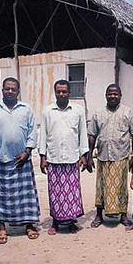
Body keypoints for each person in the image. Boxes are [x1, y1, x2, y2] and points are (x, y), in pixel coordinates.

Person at [0, 77, 40, 243]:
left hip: (22, 160)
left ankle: (29, 225)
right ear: (2, 90)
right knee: (3, 196)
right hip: (1, 160)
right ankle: (2, 228)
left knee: (26, 195)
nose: (10, 91)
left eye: (13, 89)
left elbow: (33, 132)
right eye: (7, 89)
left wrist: (27, 151)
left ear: (18, 92)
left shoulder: (26, 109)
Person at [86, 83, 133, 227]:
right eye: (110, 94)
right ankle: (99, 215)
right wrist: (89, 155)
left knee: (121, 187)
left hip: (121, 155)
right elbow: (92, 134)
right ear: (106, 95)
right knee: (101, 187)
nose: (112, 96)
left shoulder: (128, 112)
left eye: (115, 94)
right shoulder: (98, 113)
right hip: (103, 156)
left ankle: (123, 216)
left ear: (120, 96)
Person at [39, 79, 88, 234]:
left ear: (69, 93)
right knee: (55, 192)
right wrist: (42, 156)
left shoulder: (78, 110)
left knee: (71, 192)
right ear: (55, 93)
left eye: (64, 91)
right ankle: (55, 222)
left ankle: (72, 221)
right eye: (58, 91)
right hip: (54, 157)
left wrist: (83, 154)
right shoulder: (47, 111)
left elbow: (83, 134)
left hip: (72, 157)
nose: (61, 94)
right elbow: (43, 134)